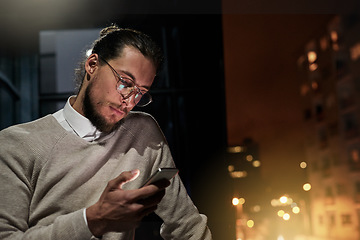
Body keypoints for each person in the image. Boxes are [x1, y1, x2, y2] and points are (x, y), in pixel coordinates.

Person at [0, 25, 212, 240]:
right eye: (125, 83)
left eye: (140, 93)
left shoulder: (143, 134)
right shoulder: (16, 144)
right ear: (92, 65)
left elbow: (186, 225)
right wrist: (93, 219)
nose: (129, 101)